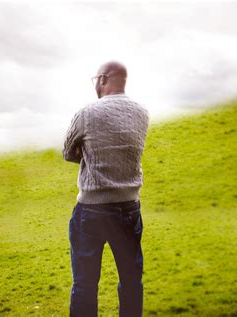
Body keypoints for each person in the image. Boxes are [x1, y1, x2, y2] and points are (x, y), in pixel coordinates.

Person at [62, 61, 150, 317]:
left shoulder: (87, 113)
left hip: (92, 210)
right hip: (129, 208)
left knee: (85, 284)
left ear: (102, 79)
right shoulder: (142, 112)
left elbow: (68, 152)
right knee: (132, 281)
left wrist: (91, 157)